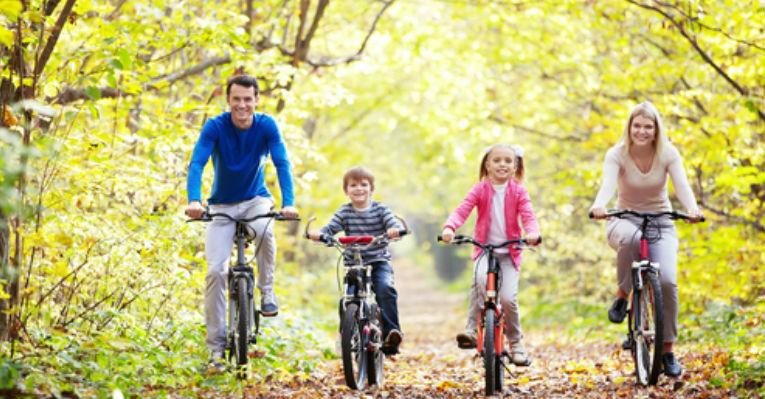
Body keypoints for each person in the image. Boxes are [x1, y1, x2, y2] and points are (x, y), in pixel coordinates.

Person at [185, 74, 299, 370]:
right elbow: (197, 162)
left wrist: (288, 203)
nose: (242, 105)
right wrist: (194, 200)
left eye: (248, 99)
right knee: (215, 272)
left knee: (265, 231)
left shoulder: (267, 126)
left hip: (254, 200)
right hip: (221, 205)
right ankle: (216, 351)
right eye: (236, 99)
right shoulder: (215, 126)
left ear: (256, 100)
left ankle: (267, 290)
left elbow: (282, 163)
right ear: (228, 100)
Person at [589, 101, 703, 377]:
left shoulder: (668, 154)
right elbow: (607, 185)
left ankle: (667, 351)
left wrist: (692, 208)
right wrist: (599, 205)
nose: (641, 131)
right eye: (637, 125)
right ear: (629, 127)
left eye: (648, 126)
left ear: (656, 130)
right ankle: (622, 295)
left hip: (661, 221)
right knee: (630, 239)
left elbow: (682, 185)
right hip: (624, 218)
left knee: (667, 281)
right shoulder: (616, 154)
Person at [440, 144, 540, 366]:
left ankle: (515, 343)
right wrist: (450, 228)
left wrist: (532, 232)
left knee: (507, 298)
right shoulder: (480, 189)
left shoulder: (519, 191)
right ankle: (472, 330)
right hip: (485, 250)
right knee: (479, 281)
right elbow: (462, 209)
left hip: (510, 253)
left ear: (515, 166)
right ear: (487, 164)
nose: (502, 164)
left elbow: (528, 215)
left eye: (507, 161)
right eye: (497, 160)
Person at [307, 166, 405, 355]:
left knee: (385, 289)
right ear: (346, 190)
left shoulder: (380, 209)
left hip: (378, 260)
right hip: (354, 262)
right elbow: (330, 228)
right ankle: (346, 335)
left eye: (363, 184)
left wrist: (394, 230)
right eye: (353, 185)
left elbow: (393, 223)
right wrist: (320, 234)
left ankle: (392, 333)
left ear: (371, 189)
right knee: (347, 299)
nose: (358, 188)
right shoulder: (344, 212)